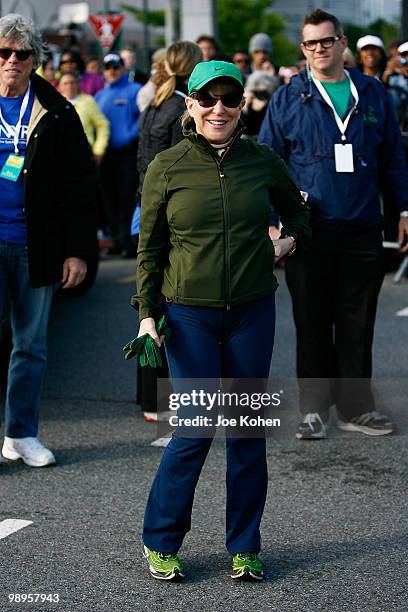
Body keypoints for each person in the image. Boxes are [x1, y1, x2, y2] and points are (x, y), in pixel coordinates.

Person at [133, 60, 310, 581]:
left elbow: (297, 211)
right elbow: (149, 250)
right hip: (189, 315)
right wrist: (147, 316)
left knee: (247, 433)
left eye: (229, 98)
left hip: (252, 311)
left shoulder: (262, 161)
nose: (219, 108)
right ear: (189, 104)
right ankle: (161, 541)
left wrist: (288, 239)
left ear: (242, 105)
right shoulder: (166, 166)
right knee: (193, 430)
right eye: (207, 99)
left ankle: (245, 546)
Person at [258, 9, 408, 440]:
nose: (319, 50)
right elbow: (267, 162)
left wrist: (403, 210)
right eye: (310, 44)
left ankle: (357, 409)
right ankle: (313, 409)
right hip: (307, 229)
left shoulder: (374, 93)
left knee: (358, 322)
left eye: (326, 41)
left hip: (362, 225)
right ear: (302, 49)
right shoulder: (288, 97)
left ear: (343, 42)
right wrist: (271, 222)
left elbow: (394, 158)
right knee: (312, 321)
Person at [0, 13, 96, 466]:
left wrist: (76, 250)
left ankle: (21, 434)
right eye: (3, 53)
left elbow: (80, 186)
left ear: (35, 60)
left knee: (31, 345)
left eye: (21, 54)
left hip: (35, 244)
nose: (12, 62)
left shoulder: (57, 111)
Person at [135, 41, 202, 423]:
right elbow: (180, 171)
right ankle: (163, 397)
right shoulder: (181, 109)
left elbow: (140, 162)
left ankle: (151, 397)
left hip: (141, 210)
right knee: (167, 307)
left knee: (147, 305)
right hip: (162, 216)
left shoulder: (155, 103)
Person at [95, 53, 142, 257]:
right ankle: (115, 240)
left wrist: (129, 137)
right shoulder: (99, 95)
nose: (112, 71)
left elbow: (142, 118)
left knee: (126, 198)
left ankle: (128, 242)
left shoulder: (135, 91)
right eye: (108, 67)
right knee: (109, 198)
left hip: (128, 154)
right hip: (106, 156)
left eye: (116, 66)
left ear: (123, 68)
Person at [58, 71, 109, 164]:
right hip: (62, 154)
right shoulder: (55, 103)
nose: (69, 86)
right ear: (60, 86)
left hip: (85, 152)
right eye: (66, 83)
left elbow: (102, 125)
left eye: (72, 82)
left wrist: (99, 149)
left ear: (78, 84)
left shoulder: (88, 101)